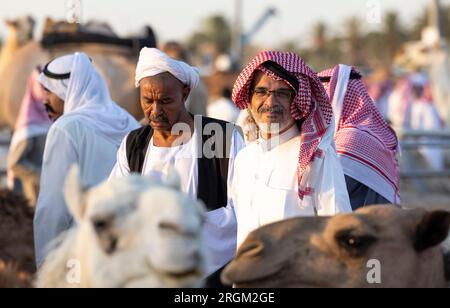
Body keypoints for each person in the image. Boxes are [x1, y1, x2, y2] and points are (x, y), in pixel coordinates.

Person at [109, 48, 245, 287]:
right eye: (147, 101)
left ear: (185, 93)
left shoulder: (221, 139)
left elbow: (244, 211)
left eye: (165, 101)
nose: (155, 110)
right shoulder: (133, 145)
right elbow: (115, 205)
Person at [230, 51, 352, 248]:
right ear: (249, 98)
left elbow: (339, 227)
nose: (270, 103)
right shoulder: (244, 159)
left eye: (282, 93)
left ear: (297, 100)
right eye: (261, 92)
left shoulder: (316, 157)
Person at [34, 52, 139, 267]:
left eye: (48, 91)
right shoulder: (127, 121)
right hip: (126, 251)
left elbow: (53, 209)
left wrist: (46, 266)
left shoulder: (65, 128)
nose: (43, 100)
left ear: (69, 89)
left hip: (81, 254)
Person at [319, 65, 401, 209]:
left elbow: (329, 191)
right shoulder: (369, 131)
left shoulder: (351, 138)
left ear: (333, 96)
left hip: (363, 223)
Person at [7, 67, 51, 206]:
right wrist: (39, 175)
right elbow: (15, 164)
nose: (44, 89)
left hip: (50, 194)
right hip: (33, 197)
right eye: (41, 85)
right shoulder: (27, 129)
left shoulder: (51, 119)